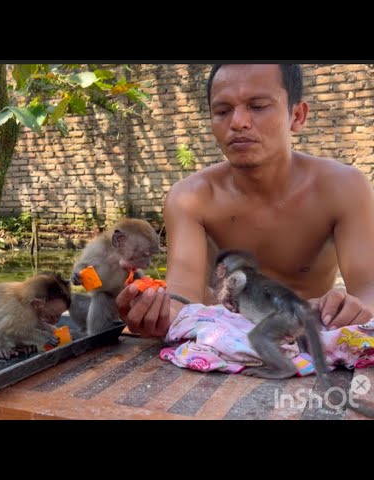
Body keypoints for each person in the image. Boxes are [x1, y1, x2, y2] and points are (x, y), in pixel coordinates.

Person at [116, 64, 374, 338]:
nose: (238, 122)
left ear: (297, 116)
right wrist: (154, 312)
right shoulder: (191, 198)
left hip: (308, 339)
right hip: (220, 344)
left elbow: (369, 287)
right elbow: (183, 299)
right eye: (223, 111)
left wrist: (356, 308)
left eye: (258, 106)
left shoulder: (343, 188)